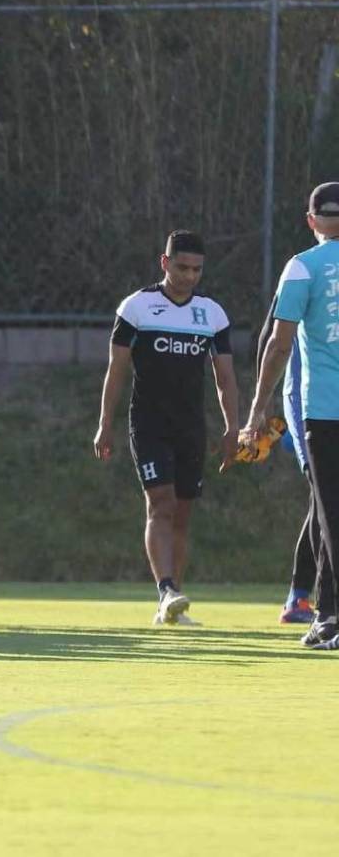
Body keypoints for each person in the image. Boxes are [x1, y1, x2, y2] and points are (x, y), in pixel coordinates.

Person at [95, 229, 238, 626]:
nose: (189, 276)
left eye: (197, 269)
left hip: (191, 427)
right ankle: (167, 591)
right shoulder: (137, 307)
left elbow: (225, 377)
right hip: (149, 424)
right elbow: (117, 370)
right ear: (164, 263)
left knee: (183, 514)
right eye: (182, 267)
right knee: (161, 504)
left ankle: (171, 603)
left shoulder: (212, 314)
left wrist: (232, 428)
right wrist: (104, 424)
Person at [242, 182, 339, 650]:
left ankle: (330, 618)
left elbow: (279, 343)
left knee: (329, 512)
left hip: (324, 410)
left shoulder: (302, 268)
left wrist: (258, 409)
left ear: (310, 220)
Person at [254, 294, 321, 624]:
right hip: (308, 403)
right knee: (324, 498)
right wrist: (260, 407)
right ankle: (302, 597)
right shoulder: (305, 270)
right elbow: (271, 339)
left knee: (324, 501)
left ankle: (302, 597)